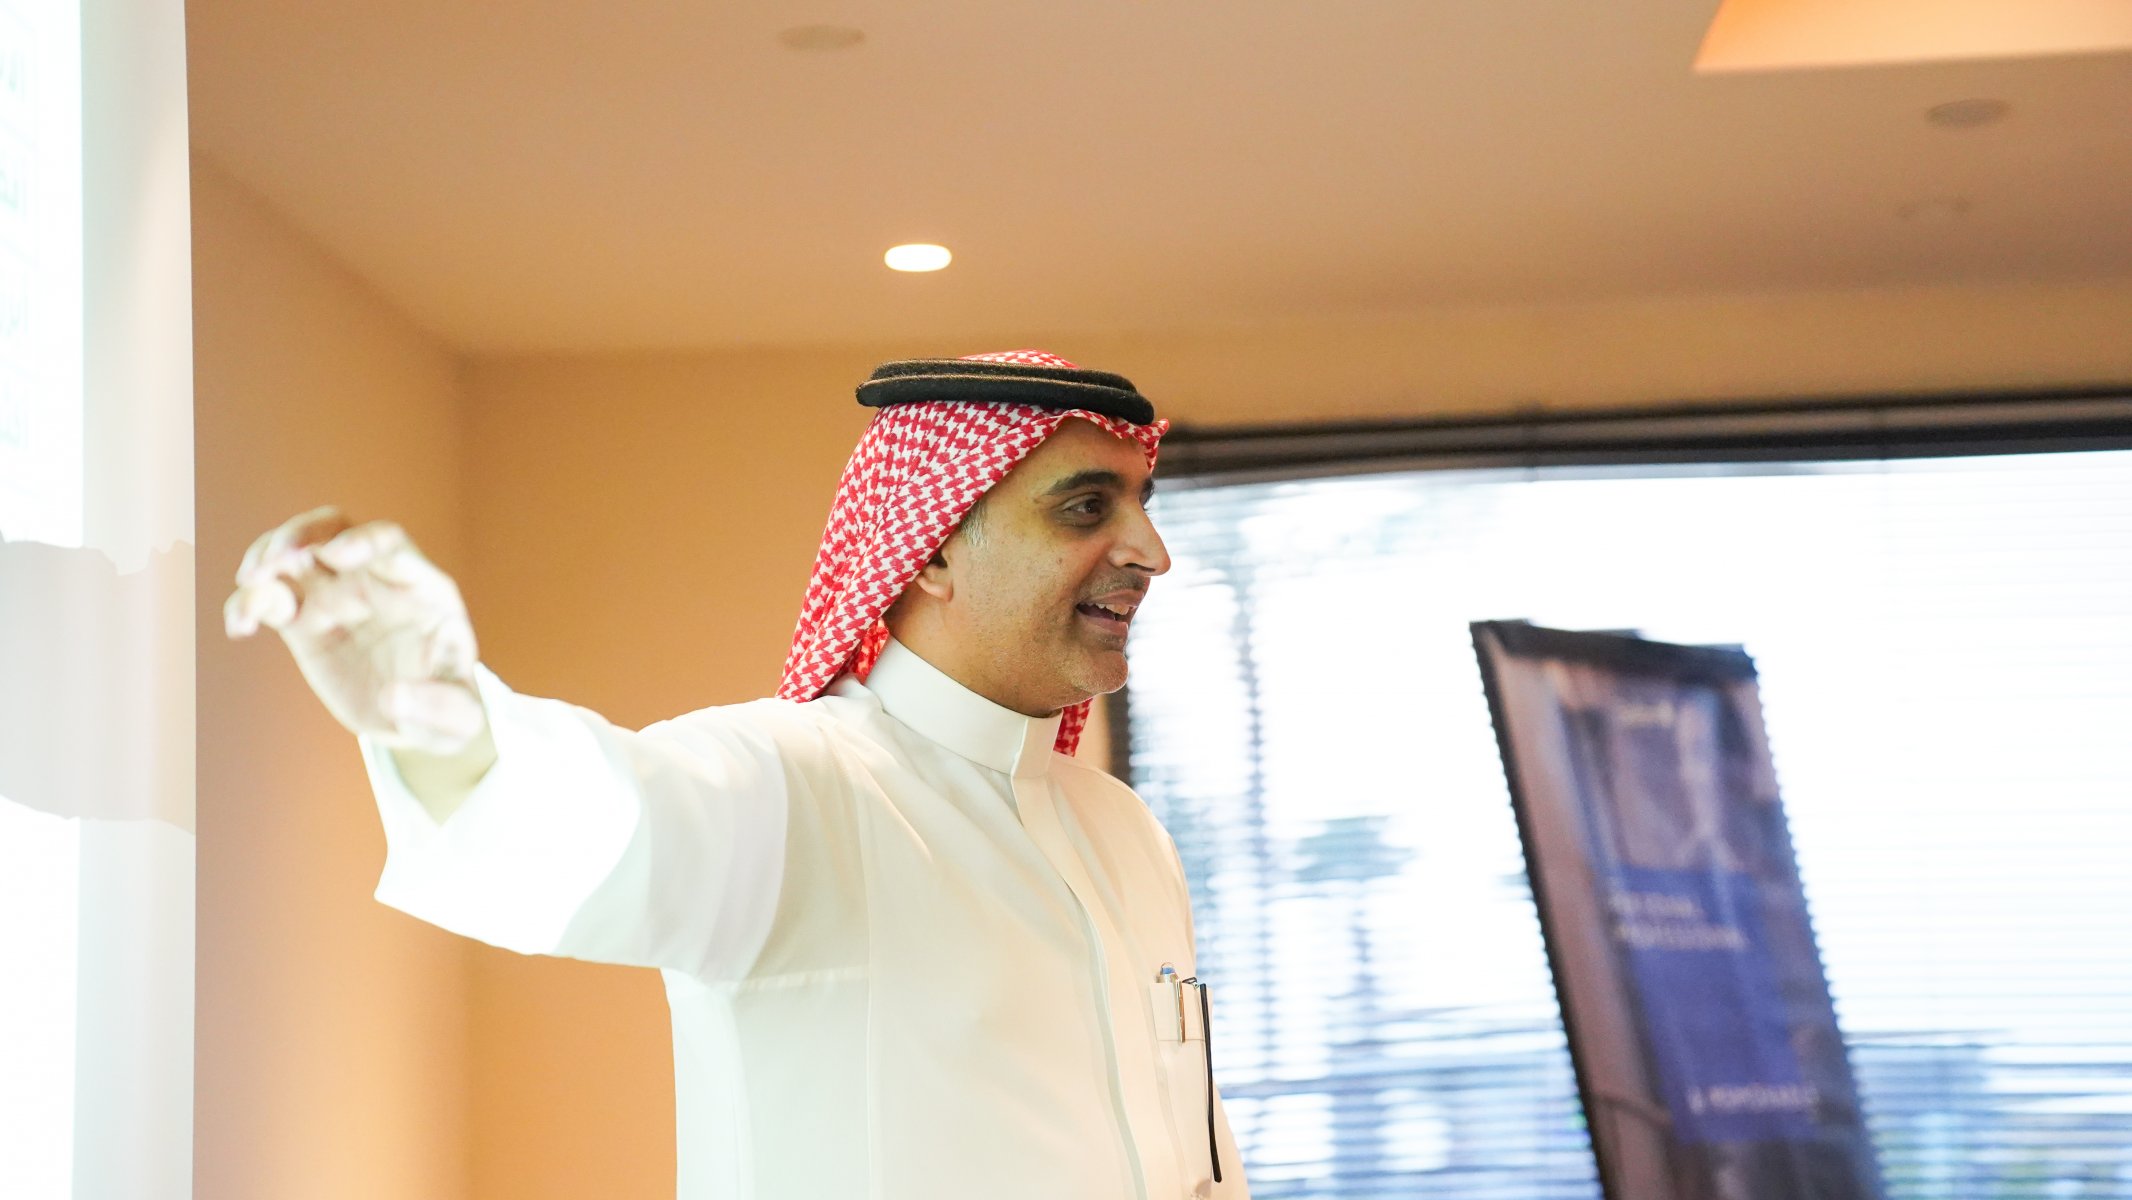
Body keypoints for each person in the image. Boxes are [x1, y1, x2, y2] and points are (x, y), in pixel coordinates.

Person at [224, 350, 1248, 1200]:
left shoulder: (1126, 830)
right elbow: (588, 829)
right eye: (1085, 508)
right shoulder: (791, 785)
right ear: (932, 550)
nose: (1149, 551)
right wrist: (431, 711)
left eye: (1140, 504)